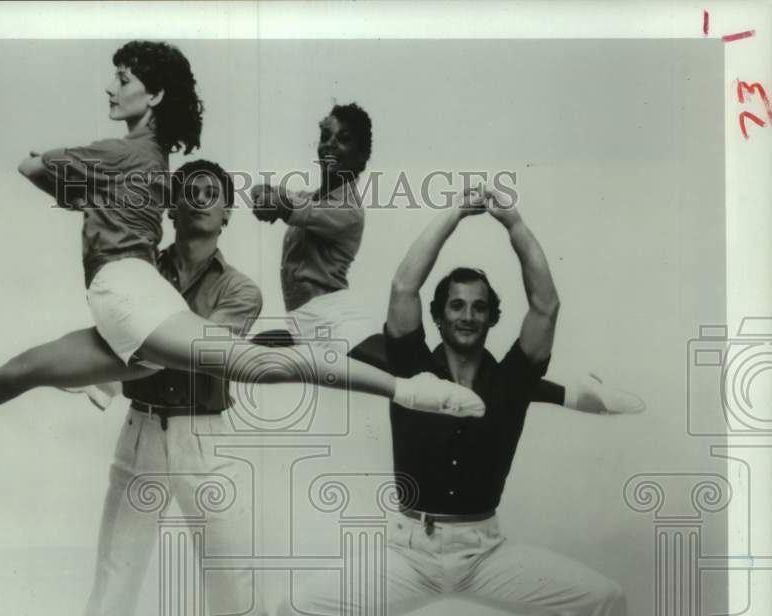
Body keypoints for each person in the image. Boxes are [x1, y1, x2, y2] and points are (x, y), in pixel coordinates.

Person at [0, 42, 483, 424]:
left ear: (152, 96)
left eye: (122, 79)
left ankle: (412, 391)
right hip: (128, 302)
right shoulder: (145, 166)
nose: (111, 87)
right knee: (21, 372)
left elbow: (30, 166)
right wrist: (88, 196)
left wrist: (75, 185)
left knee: (260, 365)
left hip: (130, 297)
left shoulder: (126, 154)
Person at [276, 184, 663, 616]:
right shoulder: (409, 364)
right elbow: (403, 284)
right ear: (439, 314)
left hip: (486, 552)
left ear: (490, 317)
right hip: (410, 552)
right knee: (301, 610)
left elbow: (546, 307)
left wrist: (513, 222)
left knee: (602, 598)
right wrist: (455, 213)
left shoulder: (512, 379)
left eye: (479, 307)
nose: (467, 316)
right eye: (456, 305)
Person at [58, 159, 287, 616]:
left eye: (212, 194)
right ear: (171, 208)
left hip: (205, 443)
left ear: (227, 213)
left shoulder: (242, 291)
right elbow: (140, 351)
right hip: (139, 437)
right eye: (189, 193)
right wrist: (120, 359)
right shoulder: (138, 273)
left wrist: (120, 355)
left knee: (234, 593)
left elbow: (196, 357)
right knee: (112, 586)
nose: (201, 202)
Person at [249, 103, 644, 416]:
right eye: (325, 136)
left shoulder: (348, 209)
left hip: (332, 317)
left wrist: (273, 200)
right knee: (240, 352)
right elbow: (281, 200)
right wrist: (266, 195)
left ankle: (575, 391)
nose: (330, 146)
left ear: (362, 156)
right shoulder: (311, 197)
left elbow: (287, 207)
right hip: (304, 320)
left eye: (343, 140)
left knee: (431, 378)